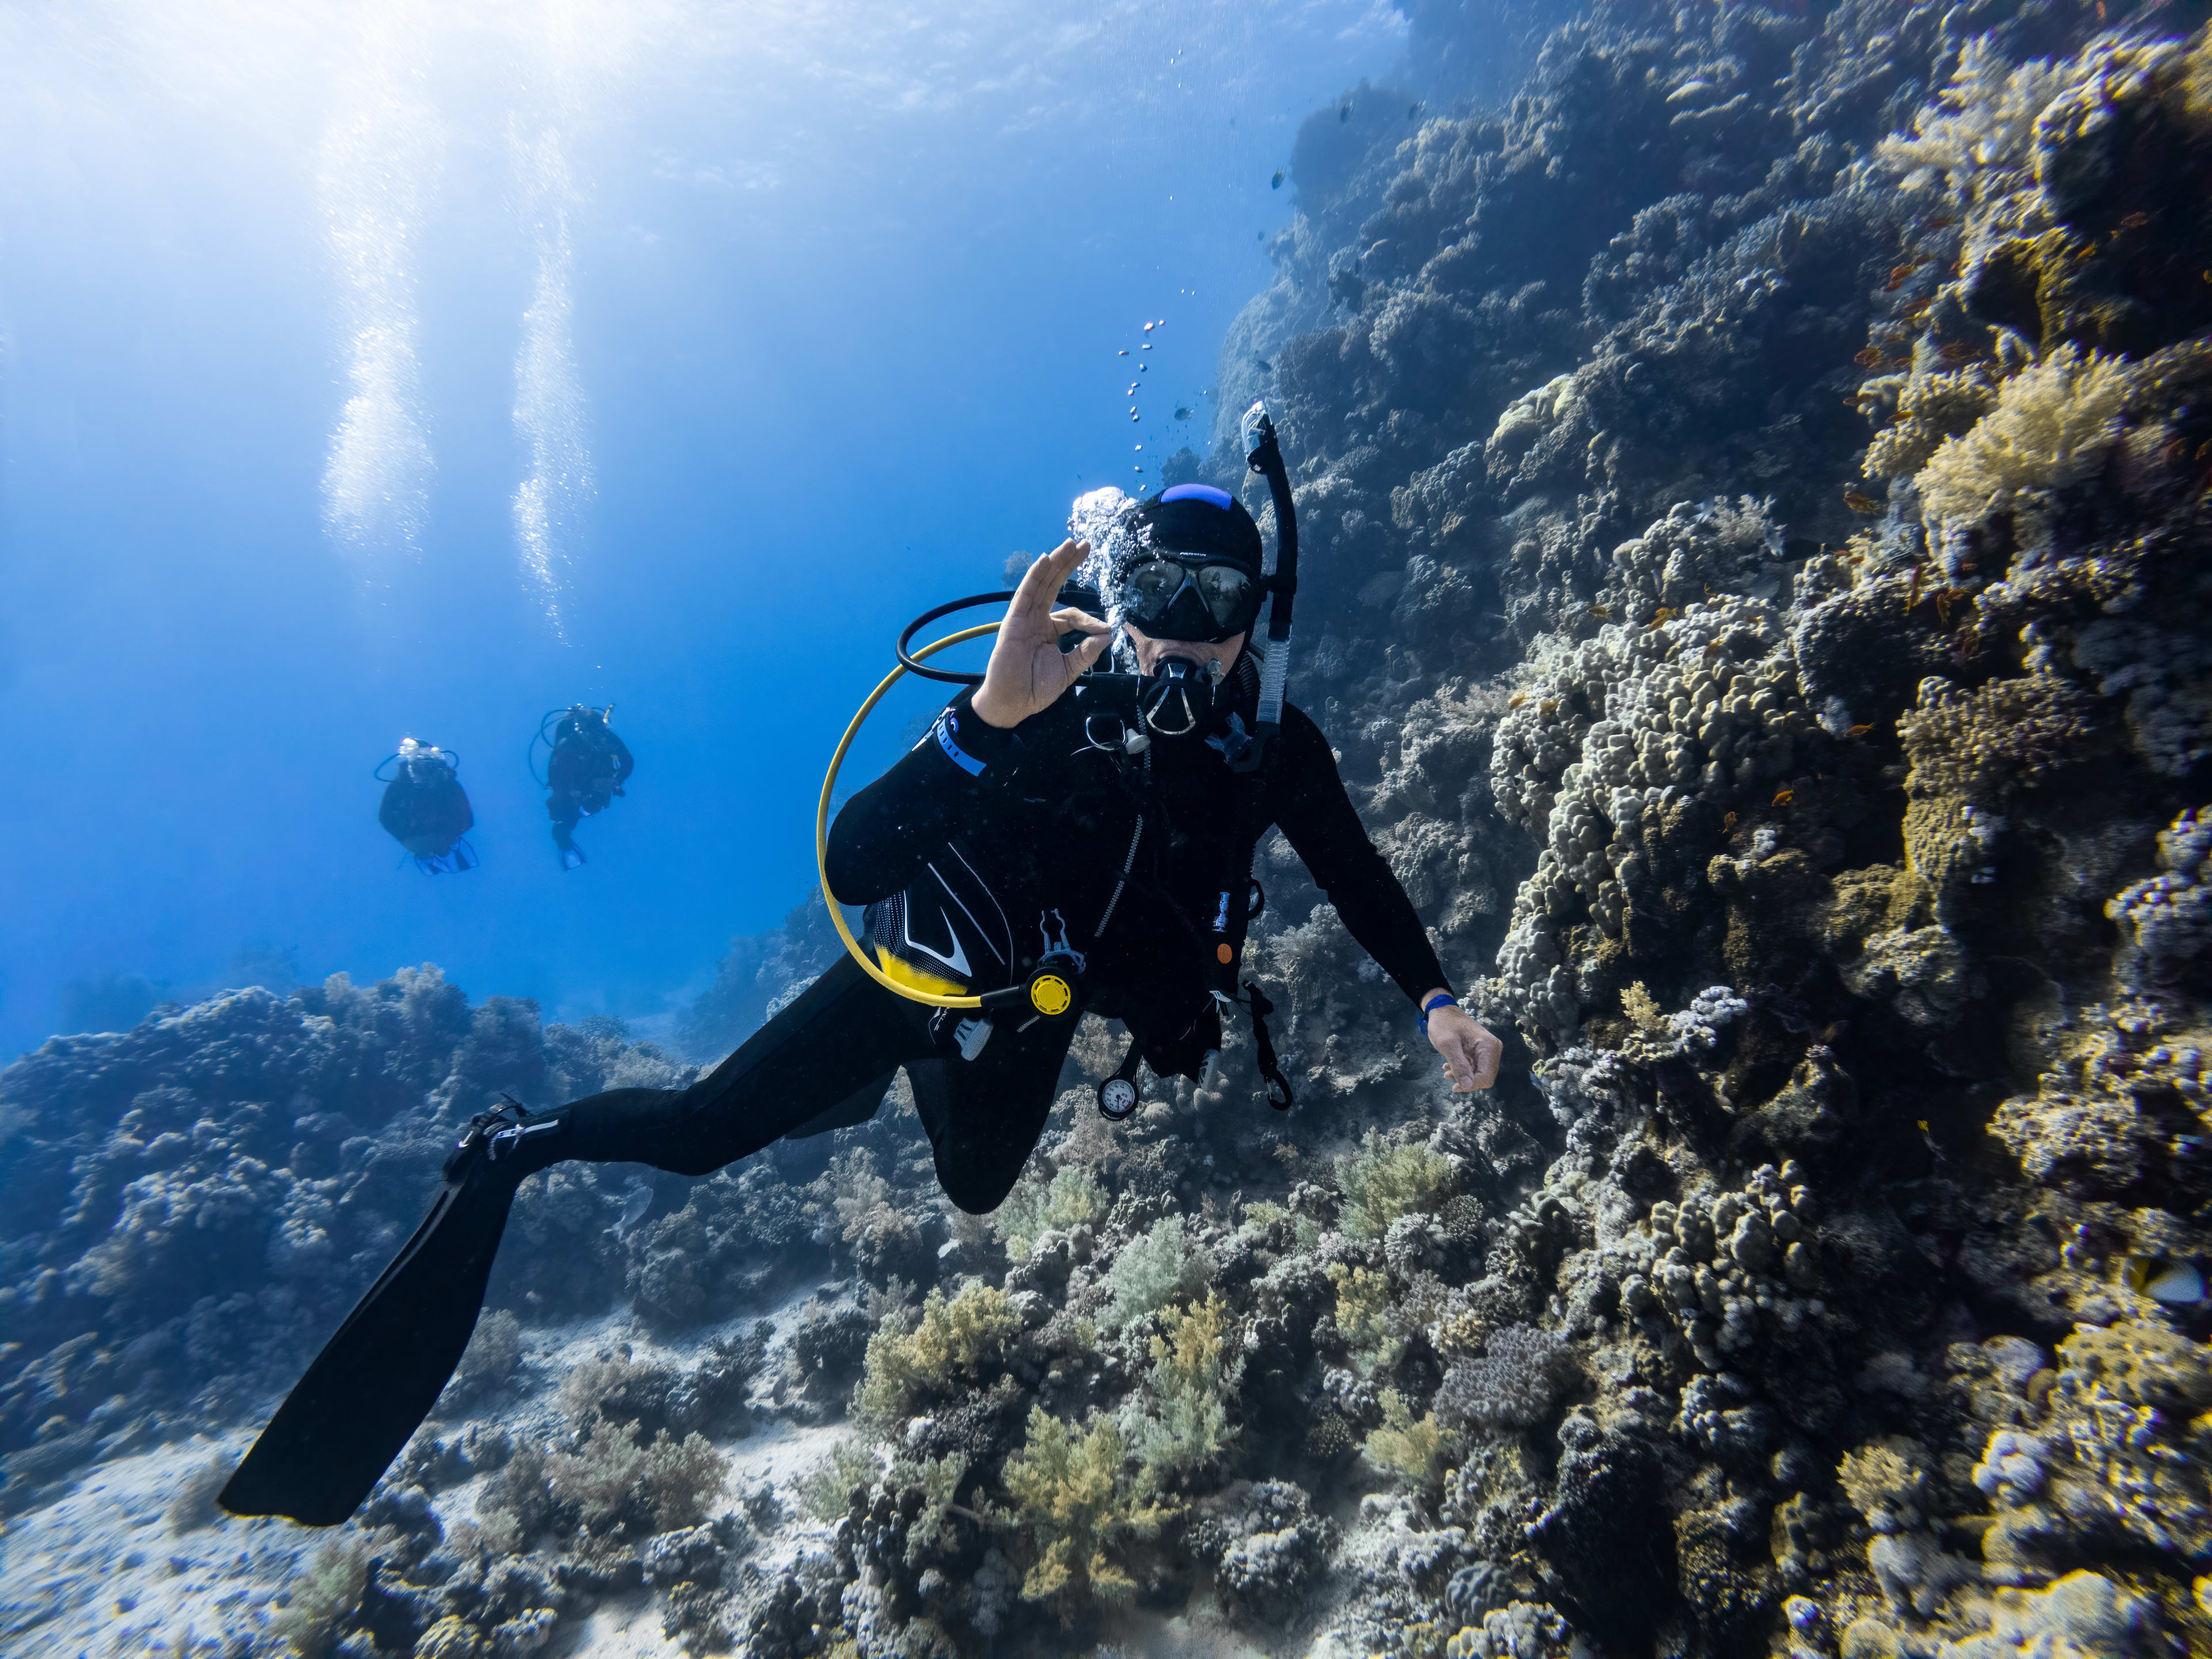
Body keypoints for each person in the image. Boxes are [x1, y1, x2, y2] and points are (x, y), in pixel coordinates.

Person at [222, 490, 1502, 1527]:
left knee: (979, 1189)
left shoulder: (1273, 746)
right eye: (1156, 594)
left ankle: (912, 1081)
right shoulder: (1054, 698)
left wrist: (1433, 996)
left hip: (1037, 1003)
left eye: (1213, 603)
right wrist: (991, 716)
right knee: (697, 1131)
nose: (1178, 630)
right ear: (1118, 596)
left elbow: (1356, 869)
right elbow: (852, 866)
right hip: (919, 974)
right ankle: (517, 1144)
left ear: (1251, 621)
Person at [540, 704, 635, 868]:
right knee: (564, 810)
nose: (597, 739)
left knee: (592, 806)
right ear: (581, 732)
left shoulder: (607, 737)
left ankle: (566, 827)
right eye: (592, 735)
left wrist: (616, 781)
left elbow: (628, 761)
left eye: (600, 733)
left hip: (595, 782)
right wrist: (583, 788)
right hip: (572, 785)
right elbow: (557, 781)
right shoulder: (567, 744)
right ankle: (563, 833)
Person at [376, 738, 477, 874]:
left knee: (442, 849)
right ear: (410, 768)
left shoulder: (447, 785)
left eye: (430, 767)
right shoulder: (401, 786)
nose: (425, 773)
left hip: (436, 832)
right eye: (418, 767)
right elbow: (386, 817)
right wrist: (408, 840)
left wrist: (447, 836)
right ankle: (431, 853)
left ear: (439, 766)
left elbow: (466, 818)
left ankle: (439, 850)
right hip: (416, 834)